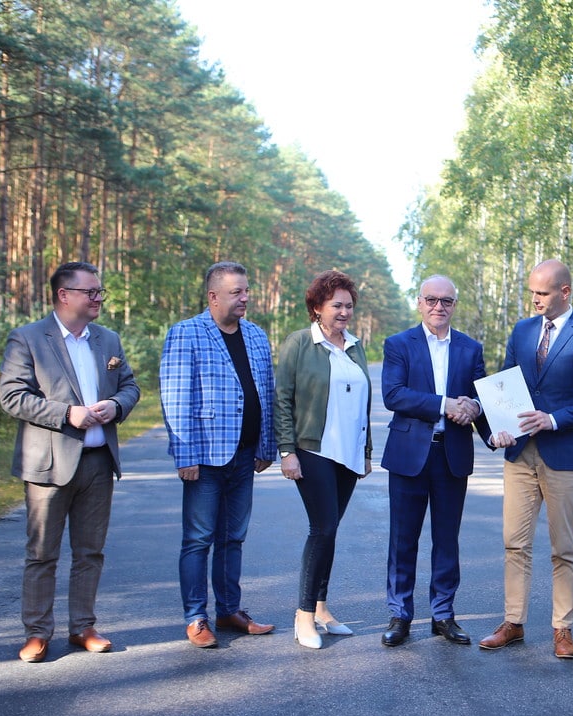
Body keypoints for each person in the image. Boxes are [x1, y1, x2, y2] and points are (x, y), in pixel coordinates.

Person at [0, 261, 140, 662]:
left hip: (98, 463)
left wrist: (117, 405)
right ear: (64, 295)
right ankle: (37, 632)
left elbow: (130, 386)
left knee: (90, 551)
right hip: (48, 466)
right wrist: (66, 414)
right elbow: (12, 396)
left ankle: (83, 627)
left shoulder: (108, 339)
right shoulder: (27, 338)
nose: (98, 298)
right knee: (42, 553)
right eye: (90, 292)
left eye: (99, 292)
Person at [479, 259, 573, 660]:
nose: (535, 299)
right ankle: (513, 622)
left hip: (565, 456)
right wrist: (499, 427)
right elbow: (505, 386)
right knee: (514, 543)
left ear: (565, 292)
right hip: (519, 453)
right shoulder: (522, 330)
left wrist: (553, 419)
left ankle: (562, 630)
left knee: (564, 547)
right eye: (532, 292)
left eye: (542, 293)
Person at [160, 261, 277, 649]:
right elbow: (176, 396)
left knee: (234, 538)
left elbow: (266, 393)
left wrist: (266, 446)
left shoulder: (256, 335)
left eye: (246, 291)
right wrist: (185, 454)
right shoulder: (186, 333)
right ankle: (196, 617)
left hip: (244, 455)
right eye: (236, 292)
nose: (245, 298)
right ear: (213, 297)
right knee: (198, 539)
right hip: (206, 457)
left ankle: (229, 610)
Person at [379, 275, 493, 648]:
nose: (438, 307)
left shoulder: (470, 349)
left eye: (446, 301)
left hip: (451, 455)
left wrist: (484, 419)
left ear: (454, 305)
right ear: (420, 302)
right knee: (403, 539)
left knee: (447, 539)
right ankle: (400, 614)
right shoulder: (399, 344)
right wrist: (445, 404)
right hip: (409, 455)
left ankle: (443, 614)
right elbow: (394, 395)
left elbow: (480, 399)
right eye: (431, 299)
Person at [275, 270, 372, 650]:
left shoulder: (355, 346)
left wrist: (366, 452)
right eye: (337, 306)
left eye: (349, 306)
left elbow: (363, 404)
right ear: (317, 307)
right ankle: (303, 616)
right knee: (323, 528)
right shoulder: (300, 343)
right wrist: (287, 451)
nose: (344, 312)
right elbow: (283, 398)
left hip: (348, 454)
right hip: (313, 450)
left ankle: (321, 608)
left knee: (331, 531)